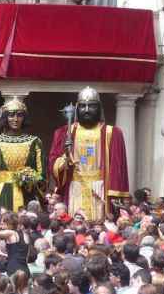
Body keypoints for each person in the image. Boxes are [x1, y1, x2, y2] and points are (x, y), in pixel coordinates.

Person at [49, 87, 130, 221]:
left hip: (100, 187)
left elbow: (117, 168)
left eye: (91, 106)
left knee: (100, 223)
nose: (86, 110)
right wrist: (65, 158)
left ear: (99, 108)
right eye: (82, 106)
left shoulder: (112, 133)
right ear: (77, 108)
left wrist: (115, 198)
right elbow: (53, 163)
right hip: (75, 187)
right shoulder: (64, 133)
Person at [0, 96, 45, 220]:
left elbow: (42, 174)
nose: (15, 119)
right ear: (5, 117)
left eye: (19, 115)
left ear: (24, 118)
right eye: (11, 115)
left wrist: (32, 181)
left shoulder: (35, 142)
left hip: (26, 194)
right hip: (0, 194)